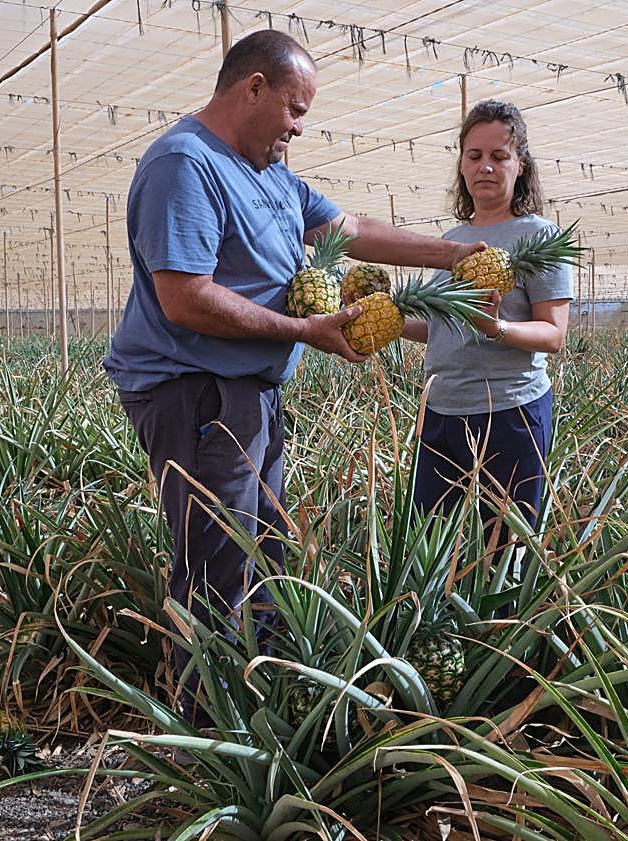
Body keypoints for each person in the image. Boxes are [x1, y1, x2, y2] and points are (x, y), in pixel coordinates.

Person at [102, 29, 484, 724]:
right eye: (294, 109)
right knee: (218, 564)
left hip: (250, 391)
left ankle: (264, 702)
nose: (299, 129)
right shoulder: (185, 164)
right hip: (198, 391)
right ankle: (209, 734)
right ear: (253, 88)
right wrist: (305, 330)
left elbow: (350, 225)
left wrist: (451, 254)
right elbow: (185, 296)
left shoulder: (268, 169)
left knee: (265, 549)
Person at [402, 100, 573, 549]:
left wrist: (496, 327)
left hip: (509, 411)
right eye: (474, 156)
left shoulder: (540, 236)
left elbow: (553, 335)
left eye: (500, 156)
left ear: (521, 166)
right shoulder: (450, 242)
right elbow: (439, 326)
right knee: (429, 544)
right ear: (461, 164)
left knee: (505, 548)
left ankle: (505, 621)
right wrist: (388, 320)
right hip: (440, 409)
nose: (486, 167)